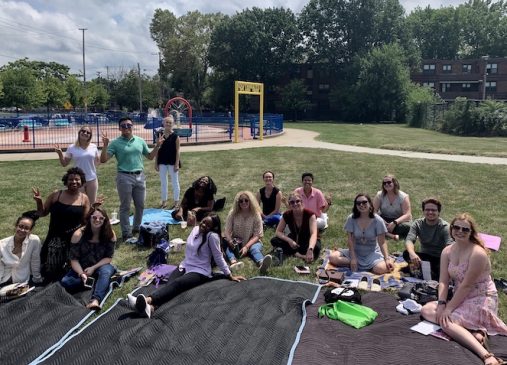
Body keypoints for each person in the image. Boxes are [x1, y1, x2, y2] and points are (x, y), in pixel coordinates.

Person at [421, 213, 507, 365]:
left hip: (481, 297)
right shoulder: (447, 251)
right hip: (459, 296)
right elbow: (443, 281)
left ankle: (487, 356)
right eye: (456, 227)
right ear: (451, 229)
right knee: (426, 310)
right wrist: (441, 304)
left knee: (447, 322)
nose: (460, 231)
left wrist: (448, 310)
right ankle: (474, 332)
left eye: (465, 229)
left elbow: (467, 285)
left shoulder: (478, 253)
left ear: (471, 232)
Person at [127, 213, 244, 318]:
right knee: (170, 284)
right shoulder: (196, 229)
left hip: (200, 271)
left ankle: (146, 300)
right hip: (185, 265)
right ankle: (151, 308)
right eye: (203, 222)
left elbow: (218, 257)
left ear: (213, 228)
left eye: (208, 225)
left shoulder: (212, 237)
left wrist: (229, 275)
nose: (204, 225)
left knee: (178, 284)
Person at [100, 117, 162, 242]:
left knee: (140, 205)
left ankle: (137, 227)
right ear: (119, 128)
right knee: (125, 206)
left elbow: (149, 157)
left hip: (140, 176)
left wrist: (157, 146)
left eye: (129, 125)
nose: (126, 127)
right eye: (123, 126)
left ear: (132, 126)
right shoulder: (116, 143)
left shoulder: (140, 141)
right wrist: (105, 146)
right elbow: (103, 159)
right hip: (124, 177)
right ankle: (126, 233)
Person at [33, 167, 91, 282]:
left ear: (81, 182)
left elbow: (85, 221)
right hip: (55, 239)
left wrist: (94, 209)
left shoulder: (84, 198)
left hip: (73, 239)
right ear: (66, 181)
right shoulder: (56, 195)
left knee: (70, 272)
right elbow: (42, 213)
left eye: (77, 179)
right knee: (50, 273)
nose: (74, 182)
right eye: (70, 179)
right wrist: (39, 201)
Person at [61, 206, 116, 310]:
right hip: (81, 267)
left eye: (101, 218)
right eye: (94, 217)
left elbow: (108, 258)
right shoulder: (78, 234)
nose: (97, 220)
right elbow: (73, 259)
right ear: (89, 218)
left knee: (106, 272)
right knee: (66, 282)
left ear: (105, 220)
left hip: (100, 265)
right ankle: (98, 282)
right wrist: (81, 273)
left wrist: (93, 268)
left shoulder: (110, 234)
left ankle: (95, 300)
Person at [329, 194, 393, 274]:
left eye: (364, 202)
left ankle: (382, 262)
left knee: (380, 269)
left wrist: (386, 258)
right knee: (332, 257)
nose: (361, 205)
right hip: (355, 251)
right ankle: (362, 265)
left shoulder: (378, 220)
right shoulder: (351, 218)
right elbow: (350, 240)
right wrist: (353, 258)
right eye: (358, 203)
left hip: (371, 252)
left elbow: (382, 242)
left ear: (370, 203)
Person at [403, 198, 453, 281]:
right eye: (427, 210)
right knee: (406, 253)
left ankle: (426, 272)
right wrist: (412, 254)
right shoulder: (418, 224)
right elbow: (409, 240)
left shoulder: (445, 227)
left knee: (441, 273)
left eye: (433, 210)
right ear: (423, 211)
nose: (430, 212)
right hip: (424, 257)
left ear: (438, 212)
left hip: (440, 258)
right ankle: (425, 271)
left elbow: (450, 247)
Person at [223, 191, 272, 273]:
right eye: (241, 201)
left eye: (246, 200)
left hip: (252, 241)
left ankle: (261, 263)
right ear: (237, 203)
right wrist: (230, 241)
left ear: (250, 201)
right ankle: (233, 262)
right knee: (226, 245)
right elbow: (227, 231)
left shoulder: (256, 214)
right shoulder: (233, 213)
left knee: (254, 249)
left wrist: (246, 246)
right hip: (236, 242)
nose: (244, 202)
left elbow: (257, 235)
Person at [54, 126, 100, 204]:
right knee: (79, 203)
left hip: (92, 179)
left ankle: (90, 216)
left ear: (90, 136)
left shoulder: (94, 147)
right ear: (79, 133)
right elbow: (64, 163)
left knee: (92, 204)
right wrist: (60, 154)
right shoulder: (72, 147)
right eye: (83, 131)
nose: (85, 133)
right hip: (78, 180)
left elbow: (98, 162)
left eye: (88, 132)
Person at [271, 192, 320, 263]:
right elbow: (278, 232)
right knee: (274, 240)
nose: (295, 204)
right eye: (292, 202)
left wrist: (310, 249)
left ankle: (295, 252)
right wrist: (289, 241)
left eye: (297, 201)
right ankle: (299, 255)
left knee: (317, 248)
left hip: (308, 240)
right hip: (294, 239)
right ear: (289, 204)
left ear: (301, 202)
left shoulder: (310, 214)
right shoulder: (287, 215)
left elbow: (313, 234)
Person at [0, 211, 42, 286]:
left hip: (22, 280)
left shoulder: (34, 241)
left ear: (30, 230)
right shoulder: (2, 244)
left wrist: (37, 279)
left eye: (26, 228)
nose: (22, 230)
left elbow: (35, 261)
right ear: (16, 226)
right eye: (20, 226)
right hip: (3, 278)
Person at [372, 174, 412, 241]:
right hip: (384, 218)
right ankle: (391, 235)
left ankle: (383, 231)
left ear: (395, 183)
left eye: (389, 182)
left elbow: (407, 215)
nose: (386, 184)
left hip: (399, 221)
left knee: (408, 227)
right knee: (370, 221)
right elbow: (373, 211)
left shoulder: (403, 196)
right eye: (384, 183)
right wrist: (382, 221)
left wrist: (394, 223)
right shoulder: (379, 195)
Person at [155, 115, 180, 209]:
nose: (168, 124)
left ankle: (176, 202)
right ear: (163, 124)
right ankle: (164, 202)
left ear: (173, 124)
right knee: (163, 182)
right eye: (167, 122)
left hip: (173, 162)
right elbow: (157, 149)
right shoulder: (159, 135)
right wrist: (156, 163)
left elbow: (178, 150)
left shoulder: (175, 136)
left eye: (170, 123)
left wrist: (177, 163)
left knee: (175, 182)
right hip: (162, 161)